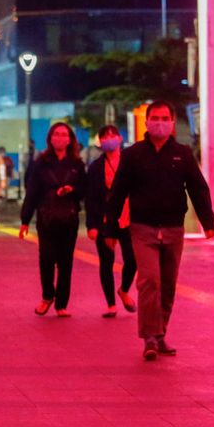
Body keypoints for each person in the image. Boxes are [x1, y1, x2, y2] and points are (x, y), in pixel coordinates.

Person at [105, 100, 214, 361]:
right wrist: (110, 228)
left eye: (164, 118)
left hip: (173, 229)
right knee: (149, 281)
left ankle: (160, 332)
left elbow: (198, 188)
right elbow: (118, 192)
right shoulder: (133, 155)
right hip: (142, 228)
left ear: (172, 122)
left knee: (167, 285)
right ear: (147, 121)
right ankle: (150, 337)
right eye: (154, 117)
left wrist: (208, 222)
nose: (159, 122)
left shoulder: (183, 154)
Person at [19, 123, 87, 318]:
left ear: (70, 139)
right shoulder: (41, 163)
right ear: (50, 138)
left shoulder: (76, 164)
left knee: (66, 262)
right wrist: (25, 220)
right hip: (46, 217)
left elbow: (85, 189)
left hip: (69, 218)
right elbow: (31, 192)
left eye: (64, 134)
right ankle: (47, 295)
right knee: (46, 258)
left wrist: (72, 190)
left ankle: (62, 304)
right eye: (56, 134)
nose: (60, 137)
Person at [85, 125, 137, 318]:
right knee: (106, 261)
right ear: (100, 141)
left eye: (112, 135)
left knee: (132, 259)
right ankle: (111, 305)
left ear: (120, 138)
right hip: (105, 220)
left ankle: (123, 290)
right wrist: (92, 225)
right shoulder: (96, 167)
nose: (109, 138)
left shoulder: (130, 161)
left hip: (128, 217)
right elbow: (90, 198)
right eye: (104, 136)